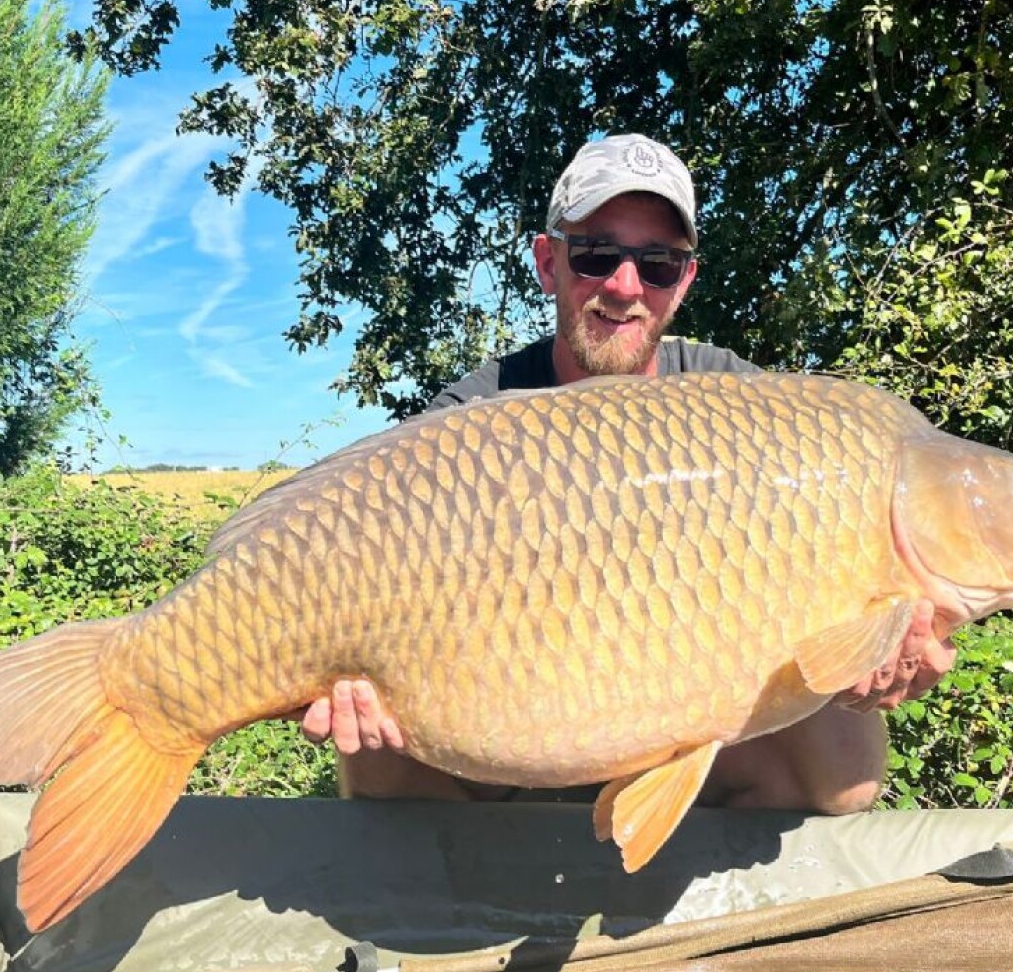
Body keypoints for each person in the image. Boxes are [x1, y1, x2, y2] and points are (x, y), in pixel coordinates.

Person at [298, 134, 955, 812]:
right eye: (596, 254)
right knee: (378, 753)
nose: (624, 285)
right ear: (548, 262)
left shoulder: (746, 405)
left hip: (681, 692)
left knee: (845, 773)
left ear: (685, 281)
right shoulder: (468, 421)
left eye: (658, 264)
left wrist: (869, 656)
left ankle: (677, 853)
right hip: (506, 713)